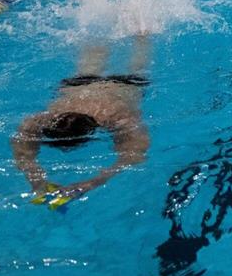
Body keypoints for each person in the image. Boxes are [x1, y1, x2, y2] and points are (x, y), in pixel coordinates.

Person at [12, 37, 151, 207]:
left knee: (136, 61)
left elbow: (135, 155)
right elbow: (133, 154)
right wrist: (36, 180)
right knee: (135, 56)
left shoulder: (114, 114)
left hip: (117, 84)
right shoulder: (49, 117)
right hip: (87, 85)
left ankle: (140, 35)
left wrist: (91, 183)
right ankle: (141, 33)